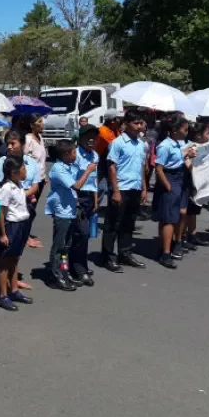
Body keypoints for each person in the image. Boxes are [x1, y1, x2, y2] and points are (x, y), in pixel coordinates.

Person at [46, 140, 98, 291]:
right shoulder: (58, 168)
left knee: (66, 246)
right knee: (59, 245)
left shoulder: (68, 166)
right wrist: (88, 171)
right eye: (74, 152)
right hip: (61, 211)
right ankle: (56, 275)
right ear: (65, 154)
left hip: (70, 210)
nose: (76, 155)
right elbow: (76, 185)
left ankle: (64, 271)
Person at [101, 109, 148, 272]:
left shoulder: (141, 144)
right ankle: (108, 257)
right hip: (121, 188)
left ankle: (125, 253)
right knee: (113, 224)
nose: (139, 126)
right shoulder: (118, 143)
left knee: (129, 223)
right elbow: (111, 167)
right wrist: (115, 191)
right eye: (136, 123)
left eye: (141, 123)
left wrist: (144, 188)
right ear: (126, 124)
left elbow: (141, 167)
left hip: (134, 188)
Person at [152, 117, 196, 268]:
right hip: (170, 179)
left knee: (179, 213)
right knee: (168, 218)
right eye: (185, 129)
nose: (187, 132)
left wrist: (187, 155)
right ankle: (165, 253)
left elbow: (178, 159)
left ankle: (172, 243)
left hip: (180, 178)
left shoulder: (178, 145)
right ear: (175, 130)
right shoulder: (165, 146)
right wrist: (168, 186)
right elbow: (159, 168)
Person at [0, 156, 31, 311]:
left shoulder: (19, 184)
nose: (25, 171)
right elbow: (0, 211)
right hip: (11, 226)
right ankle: (2, 295)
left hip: (22, 224)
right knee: (3, 260)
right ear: (14, 172)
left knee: (15, 258)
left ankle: (14, 290)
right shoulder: (6, 188)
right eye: (23, 168)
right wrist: (2, 233)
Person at [69, 124, 100, 287]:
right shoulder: (75, 155)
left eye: (94, 137)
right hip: (77, 197)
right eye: (87, 136)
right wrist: (75, 199)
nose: (91, 140)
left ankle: (80, 265)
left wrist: (95, 200)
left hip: (89, 197)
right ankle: (78, 269)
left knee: (84, 235)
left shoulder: (95, 155)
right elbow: (72, 180)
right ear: (80, 138)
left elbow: (94, 179)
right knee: (81, 233)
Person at [20, 113, 48, 249]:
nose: (42, 124)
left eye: (42, 121)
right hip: (31, 181)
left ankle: (26, 233)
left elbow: (41, 160)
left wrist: (44, 175)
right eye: (39, 121)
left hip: (40, 179)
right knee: (29, 209)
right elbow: (24, 161)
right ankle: (24, 236)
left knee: (33, 209)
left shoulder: (40, 137)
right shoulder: (28, 139)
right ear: (32, 125)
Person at [182, 123, 209, 249]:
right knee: (187, 210)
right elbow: (188, 164)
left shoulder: (204, 145)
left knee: (193, 210)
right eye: (208, 133)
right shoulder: (190, 147)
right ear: (199, 135)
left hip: (198, 181)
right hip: (190, 180)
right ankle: (181, 237)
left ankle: (192, 235)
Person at [95, 110, 123, 205]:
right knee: (100, 188)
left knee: (113, 187)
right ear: (112, 121)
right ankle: (91, 209)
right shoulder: (103, 131)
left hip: (111, 162)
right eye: (119, 119)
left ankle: (112, 210)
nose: (121, 121)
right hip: (101, 163)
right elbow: (118, 145)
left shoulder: (116, 131)